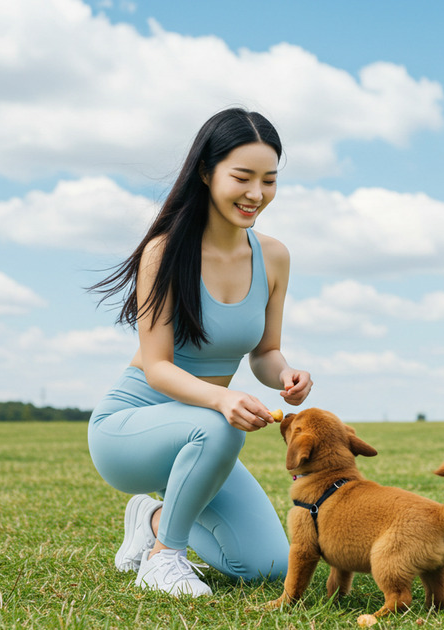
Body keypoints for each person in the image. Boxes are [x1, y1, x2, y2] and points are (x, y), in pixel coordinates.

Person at [87, 108, 312, 597]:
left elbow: (264, 352)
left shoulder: (273, 257)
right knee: (218, 426)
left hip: (204, 433)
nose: (257, 194)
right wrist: (220, 400)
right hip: (129, 430)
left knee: (268, 566)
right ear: (207, 173)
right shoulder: (165, 252)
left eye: (269, 180)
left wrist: (286, 374)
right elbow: (157, 366)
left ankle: (152, 521)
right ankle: (164, 557)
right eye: (243, 177)